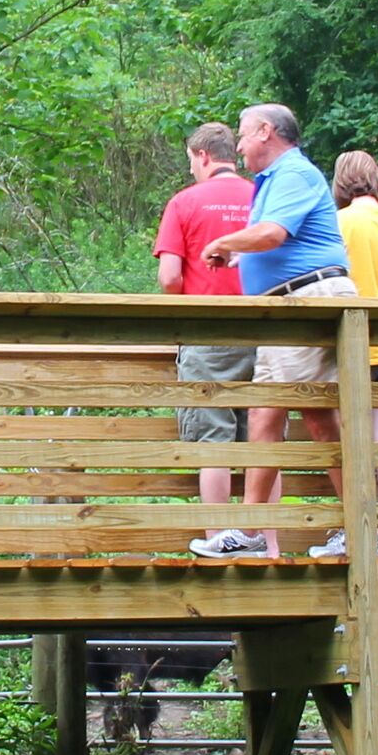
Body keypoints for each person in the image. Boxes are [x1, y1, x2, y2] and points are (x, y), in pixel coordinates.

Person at [194, 103, 351, 561]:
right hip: (300, 302)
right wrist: (245, 258)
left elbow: (273, 235)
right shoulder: (275, 181)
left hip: (305, 302)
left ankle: (249, 531)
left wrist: (224, 242)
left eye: (243, 135)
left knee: (265, 413)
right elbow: (276, 242)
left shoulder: (293, 173)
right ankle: (361, 527)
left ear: (266, 131)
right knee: (322, 422)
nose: (238, 146)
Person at [157, 124, 259, 555]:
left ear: (201, 156)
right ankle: (265, 539)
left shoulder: (183, 202)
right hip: (270, 332)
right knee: (264, 439)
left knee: (211, 440)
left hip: (207, 331)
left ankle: (219, 538)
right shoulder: (263, 197)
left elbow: (170, 278)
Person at [316, 150, 378, 560]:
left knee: (351, 446)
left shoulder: (339, 223)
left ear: (340, 182)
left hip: (355, 347)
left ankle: (357, 533)